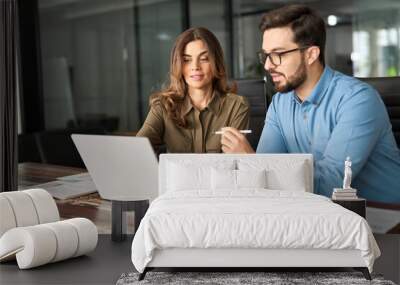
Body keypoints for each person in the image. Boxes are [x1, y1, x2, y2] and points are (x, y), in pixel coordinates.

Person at [220, 5, 400, 203]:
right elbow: (268, 173)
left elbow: (331, 185)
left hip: (384, 220)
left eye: (278, 54)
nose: (268, 65)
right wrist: (257, 166)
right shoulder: (281, 103)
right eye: (265, 55)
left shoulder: (358, 100)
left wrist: (251, 163)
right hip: (323, 218)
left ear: (311, 54)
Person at [137, 27, 249, 153]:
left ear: (216, 62)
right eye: (187, 60)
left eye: (204, 59)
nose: (195, 67)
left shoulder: (236, 106)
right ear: (178, 64)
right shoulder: (163, 106)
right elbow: (138, 149)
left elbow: (235, 163)